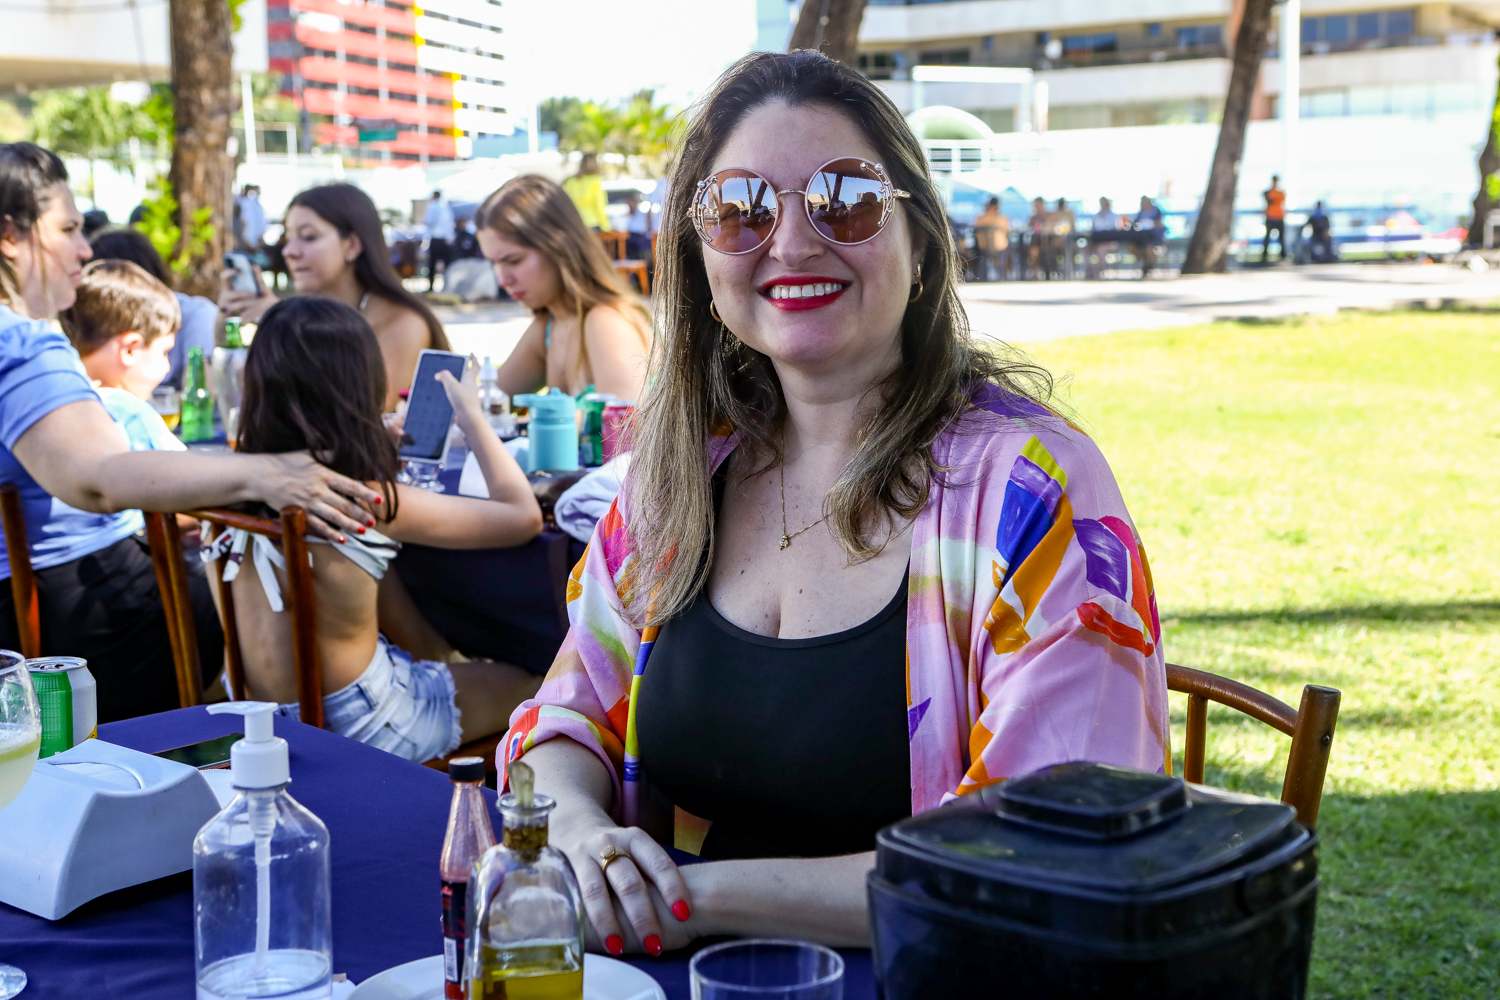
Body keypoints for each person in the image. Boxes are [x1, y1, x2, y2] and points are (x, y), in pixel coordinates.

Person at [498, 51, 1167, 956]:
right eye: (741, 210)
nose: (791, 244)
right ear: (701, 260)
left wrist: (694, 898)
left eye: (844, 199)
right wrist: (578, 832)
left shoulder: (1032, 489)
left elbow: (1045, 848)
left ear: (920, 241)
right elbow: (565, 713)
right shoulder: (681, 472)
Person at [0, 141, 381, 722]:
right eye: (69, 229)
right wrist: (268, 472)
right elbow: (99, 477)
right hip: (81, 626)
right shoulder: (22, 344)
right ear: (11, 236)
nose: (85, 248)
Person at [224, 297, 545, 760]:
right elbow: (522, 517)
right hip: (362, 725)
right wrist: (471, 414)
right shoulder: (365, 501)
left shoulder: (224, 490)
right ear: (362, 384)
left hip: (255, 718)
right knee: (543, 682)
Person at [216, 183, 451, 411]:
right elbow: (249, 402)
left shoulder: (404, 322)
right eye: (288, 237)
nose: (289, 251)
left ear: (352, 246)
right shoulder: (307, 316)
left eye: (308, 236)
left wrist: (286, 325)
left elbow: (368, 409)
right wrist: (224, 332)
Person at [477, 175, 651, 401]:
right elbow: (489, 400)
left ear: (559, 247)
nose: (502, 280)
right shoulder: (550, 326)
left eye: (513, 261)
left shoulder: (606, 320)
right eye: (494, 263)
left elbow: (625, 422)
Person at [88, 227, 217, 390]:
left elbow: (200, 392)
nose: (167, 367)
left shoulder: (196, 314)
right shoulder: (95, 329)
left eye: (166, 352)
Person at [562, 153, 612, 232]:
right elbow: (599, 205)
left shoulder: (570, 181)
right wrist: (606, 226)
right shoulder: (595, 181)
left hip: (573, 224)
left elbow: (564, 203)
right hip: (592, 224)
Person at [424, 188, 456, 292]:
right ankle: (447, 286)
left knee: (432, 264)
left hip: (435, 239)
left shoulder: (432, 206)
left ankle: (431, 287)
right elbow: (450, 224)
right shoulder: (445, 207)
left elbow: (428, 221)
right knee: (446, 264)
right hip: (445, 240)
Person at [972, 196, 1010, 281]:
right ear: (998, 206)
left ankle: (980, 276)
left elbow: (976, 233)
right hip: (1000, 248)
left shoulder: (980, 219)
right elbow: (1007, 232)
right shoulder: (1003, 219)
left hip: (983, 248)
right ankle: (1003, 275)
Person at [1132, 195, 1165, 278]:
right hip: (1141, 236)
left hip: (1155, 236)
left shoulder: (1156, 211)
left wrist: (1150, 223)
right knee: (1130, 246)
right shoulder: (1140, 213)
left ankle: (1149, 264)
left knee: (1149, 246)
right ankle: (1147, 261)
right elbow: (1135, 224)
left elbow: (1160, 224)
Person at [619, 190, 656, 261]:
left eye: (631, 203)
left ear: (635, 202)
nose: (630, 205)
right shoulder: (626, 217)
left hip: (640, 238)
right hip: (631, 239)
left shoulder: (642, 215)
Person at [236, 184, 267, 256]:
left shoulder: (259, 207)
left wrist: (258, 244)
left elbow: (262, 229)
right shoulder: (244, 202)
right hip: (244, 244)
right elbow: (243, 223)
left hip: (253, 245)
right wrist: (244, 241)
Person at [1263, 175, 1286, 262]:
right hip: (1270, 217)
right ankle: (1265, 255)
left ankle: (1283, 255)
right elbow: (1268, 199)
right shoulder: (1268, 192)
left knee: (1281, 238)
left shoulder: (1281, 192)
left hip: (1279, 217)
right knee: (1267, 237)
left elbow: (1282, 200)